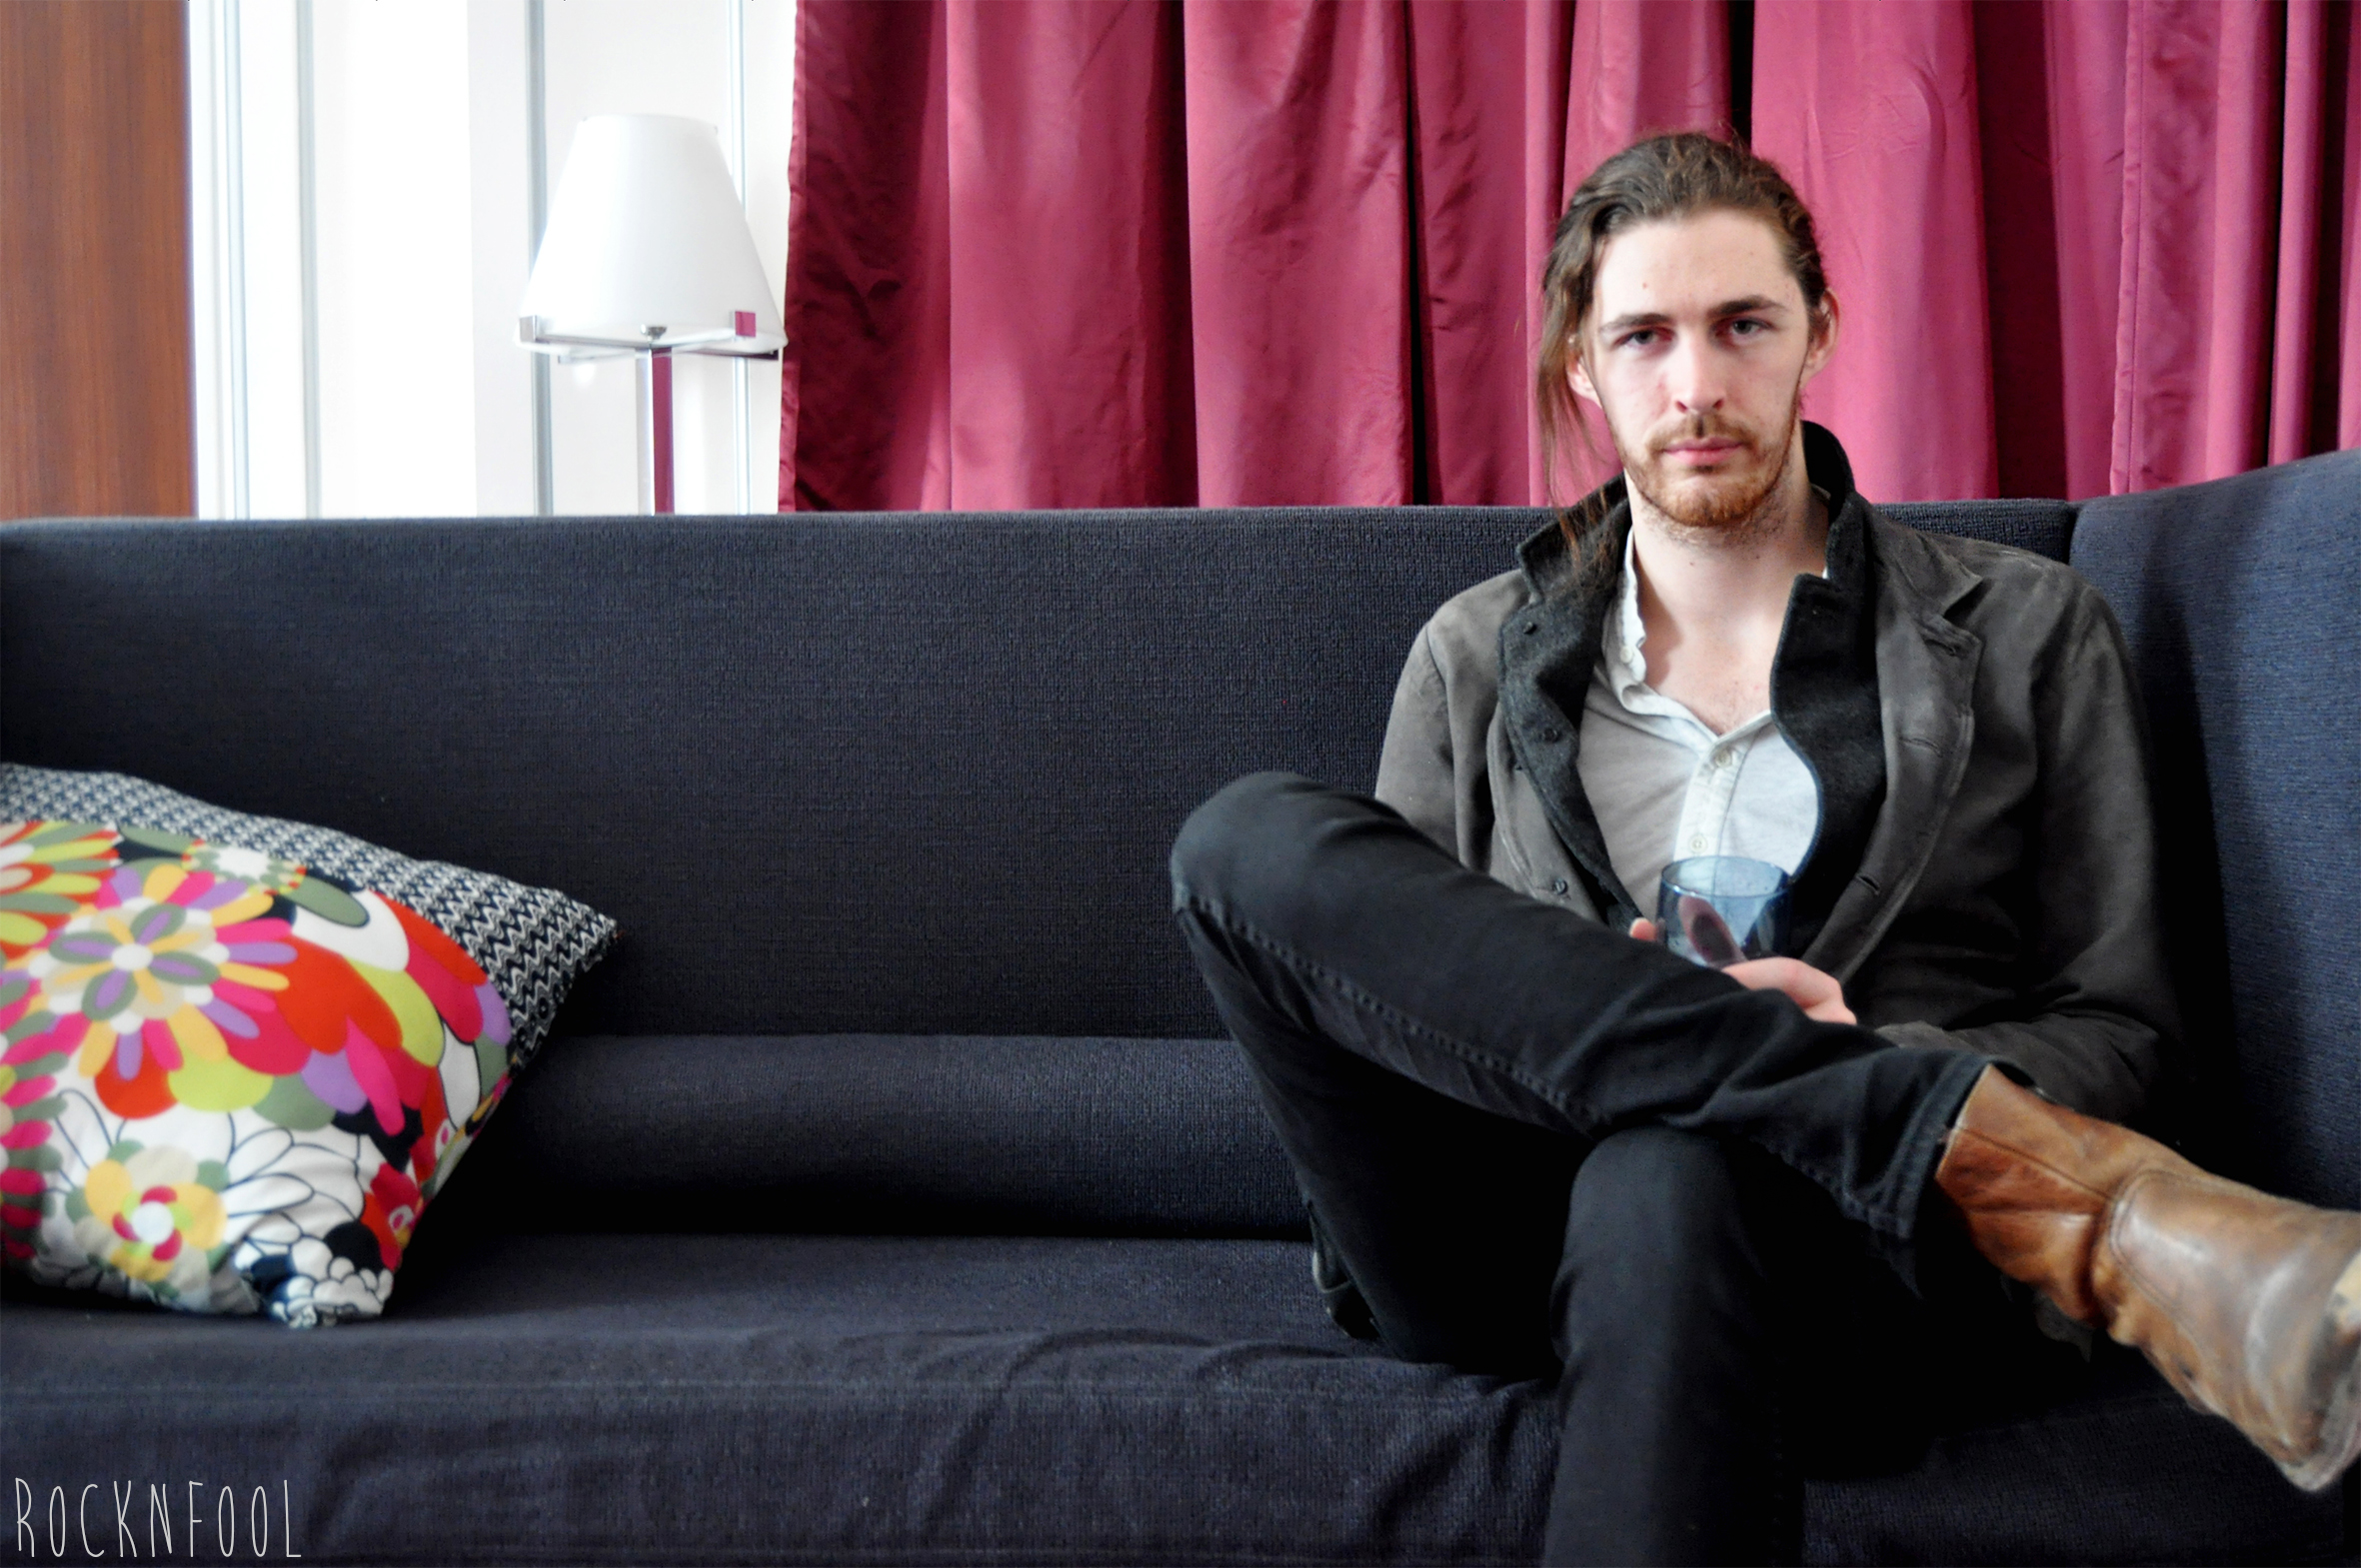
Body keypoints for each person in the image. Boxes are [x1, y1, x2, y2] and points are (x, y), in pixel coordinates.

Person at [1169, 133, 2361, 1566]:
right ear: (1580, 364)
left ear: (1818, 332)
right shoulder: (1470, 656)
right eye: (1643, 336)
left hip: (1854, 1245)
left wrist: (1867, 1040)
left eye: (1743, 324)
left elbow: (2130, 1037)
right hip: (1500, 1228)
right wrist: (1768, 1059)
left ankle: (1871, 1120)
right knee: (1240, 839)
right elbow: (1380, 1017)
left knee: (1669, 1172)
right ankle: (2065, 1201)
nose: (1696, 385)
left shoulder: (2028, 631)